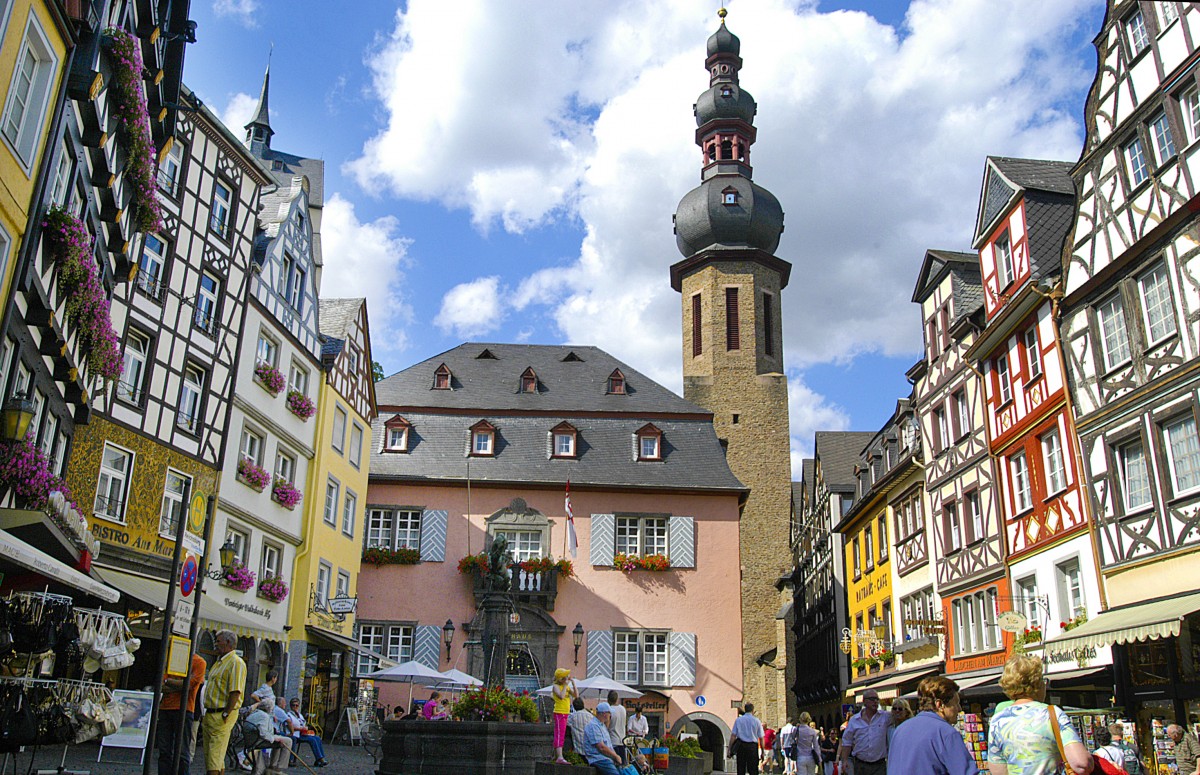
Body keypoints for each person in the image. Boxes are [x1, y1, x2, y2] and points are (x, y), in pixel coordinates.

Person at [987, 654, 1094, 775]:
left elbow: (998, 771)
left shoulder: (998, 720)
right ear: (1036, 683)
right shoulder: (1051, 713)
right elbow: (1081, 763)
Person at [885, 676, 976, 775]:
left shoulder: (900, 730)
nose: (959, 709)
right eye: (956, 703)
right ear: (939, 705)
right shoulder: (946, 733)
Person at [201, 630, 247, 775]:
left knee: (214, 756)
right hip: (211, 712)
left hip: (222, 713)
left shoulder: (236, 662)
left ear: (228, 643)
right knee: (213, 756)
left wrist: (226, 712)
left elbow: (235, 691)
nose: (216, 644)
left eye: (218, 641)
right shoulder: (219, 662)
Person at [157, 651, 206, 775]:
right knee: (164, 750)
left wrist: (169, 681)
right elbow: (161, 685)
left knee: (182, 751)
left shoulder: (199, 662)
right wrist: (177, 685)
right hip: (166, 708)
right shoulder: (171, 659)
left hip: (185, 709)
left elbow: (188, 686)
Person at [838, 690, 890, 775]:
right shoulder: (854, 720)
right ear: (864, 701)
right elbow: (847, 742)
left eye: (877, 699)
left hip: (879, 765)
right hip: (861, 765)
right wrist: (844, 761)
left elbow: (901, 715)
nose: (875, 701)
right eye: (872, 699)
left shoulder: (885, 717)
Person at [242, 698, 293, 775]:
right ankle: (278, 768)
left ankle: (273, 766)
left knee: (280, 741)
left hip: (252, 740)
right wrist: (274, 738)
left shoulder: (255, 713)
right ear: (269, 708)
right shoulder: (264, 716)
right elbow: (264, 733)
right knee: (288, 741)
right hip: (258, 741)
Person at [580, 702, 624, 775]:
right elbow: (601, 747)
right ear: (604, 714)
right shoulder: (594, 726)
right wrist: (615, 756)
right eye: (609, 713)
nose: (610, 716)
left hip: (606, 758)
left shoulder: (601, 725)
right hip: (599, 759)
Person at [285, 698, 328, 767]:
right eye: (293, 705)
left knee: (317, 738)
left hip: (302, 733)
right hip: (295, 734)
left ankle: (320, 758)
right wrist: (300, 729)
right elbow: (289, 727)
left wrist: (305, 728)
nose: (295, 707)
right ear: (291, 706)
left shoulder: (300, 715)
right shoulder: (288, 715)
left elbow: (303, 723)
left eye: (297, 705)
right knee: (312, 740)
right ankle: (320, 758)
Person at [729, 702, 766, 775]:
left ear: (745, 710)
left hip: (741, 746)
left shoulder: (739, 720)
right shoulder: (756, 721)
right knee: (753, 769)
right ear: (753, 710)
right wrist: (762, 751)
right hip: (752, 747)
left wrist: (729, 749)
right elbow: (761, 738)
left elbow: (733, 735)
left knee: (741, 768)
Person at [551, 668, 579, 764]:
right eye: (565, 677)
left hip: (565, 712)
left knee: (561, 733)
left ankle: (557, 756)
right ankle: (559, 756)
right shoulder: (555, 686)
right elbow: (561, 696)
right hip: (559, 712)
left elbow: (576, 696)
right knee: (559, 734)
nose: (566, 678)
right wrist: (566, 685)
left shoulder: (566, 687)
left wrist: (574, 684)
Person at [607, 690, 628, 764]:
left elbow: (607, 726)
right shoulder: (623, 709)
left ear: (608, 699)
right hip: (622, 741)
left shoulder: (609, 710)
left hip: (613, 741)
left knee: (615, 765)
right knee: (623, 765)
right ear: (617, 698)